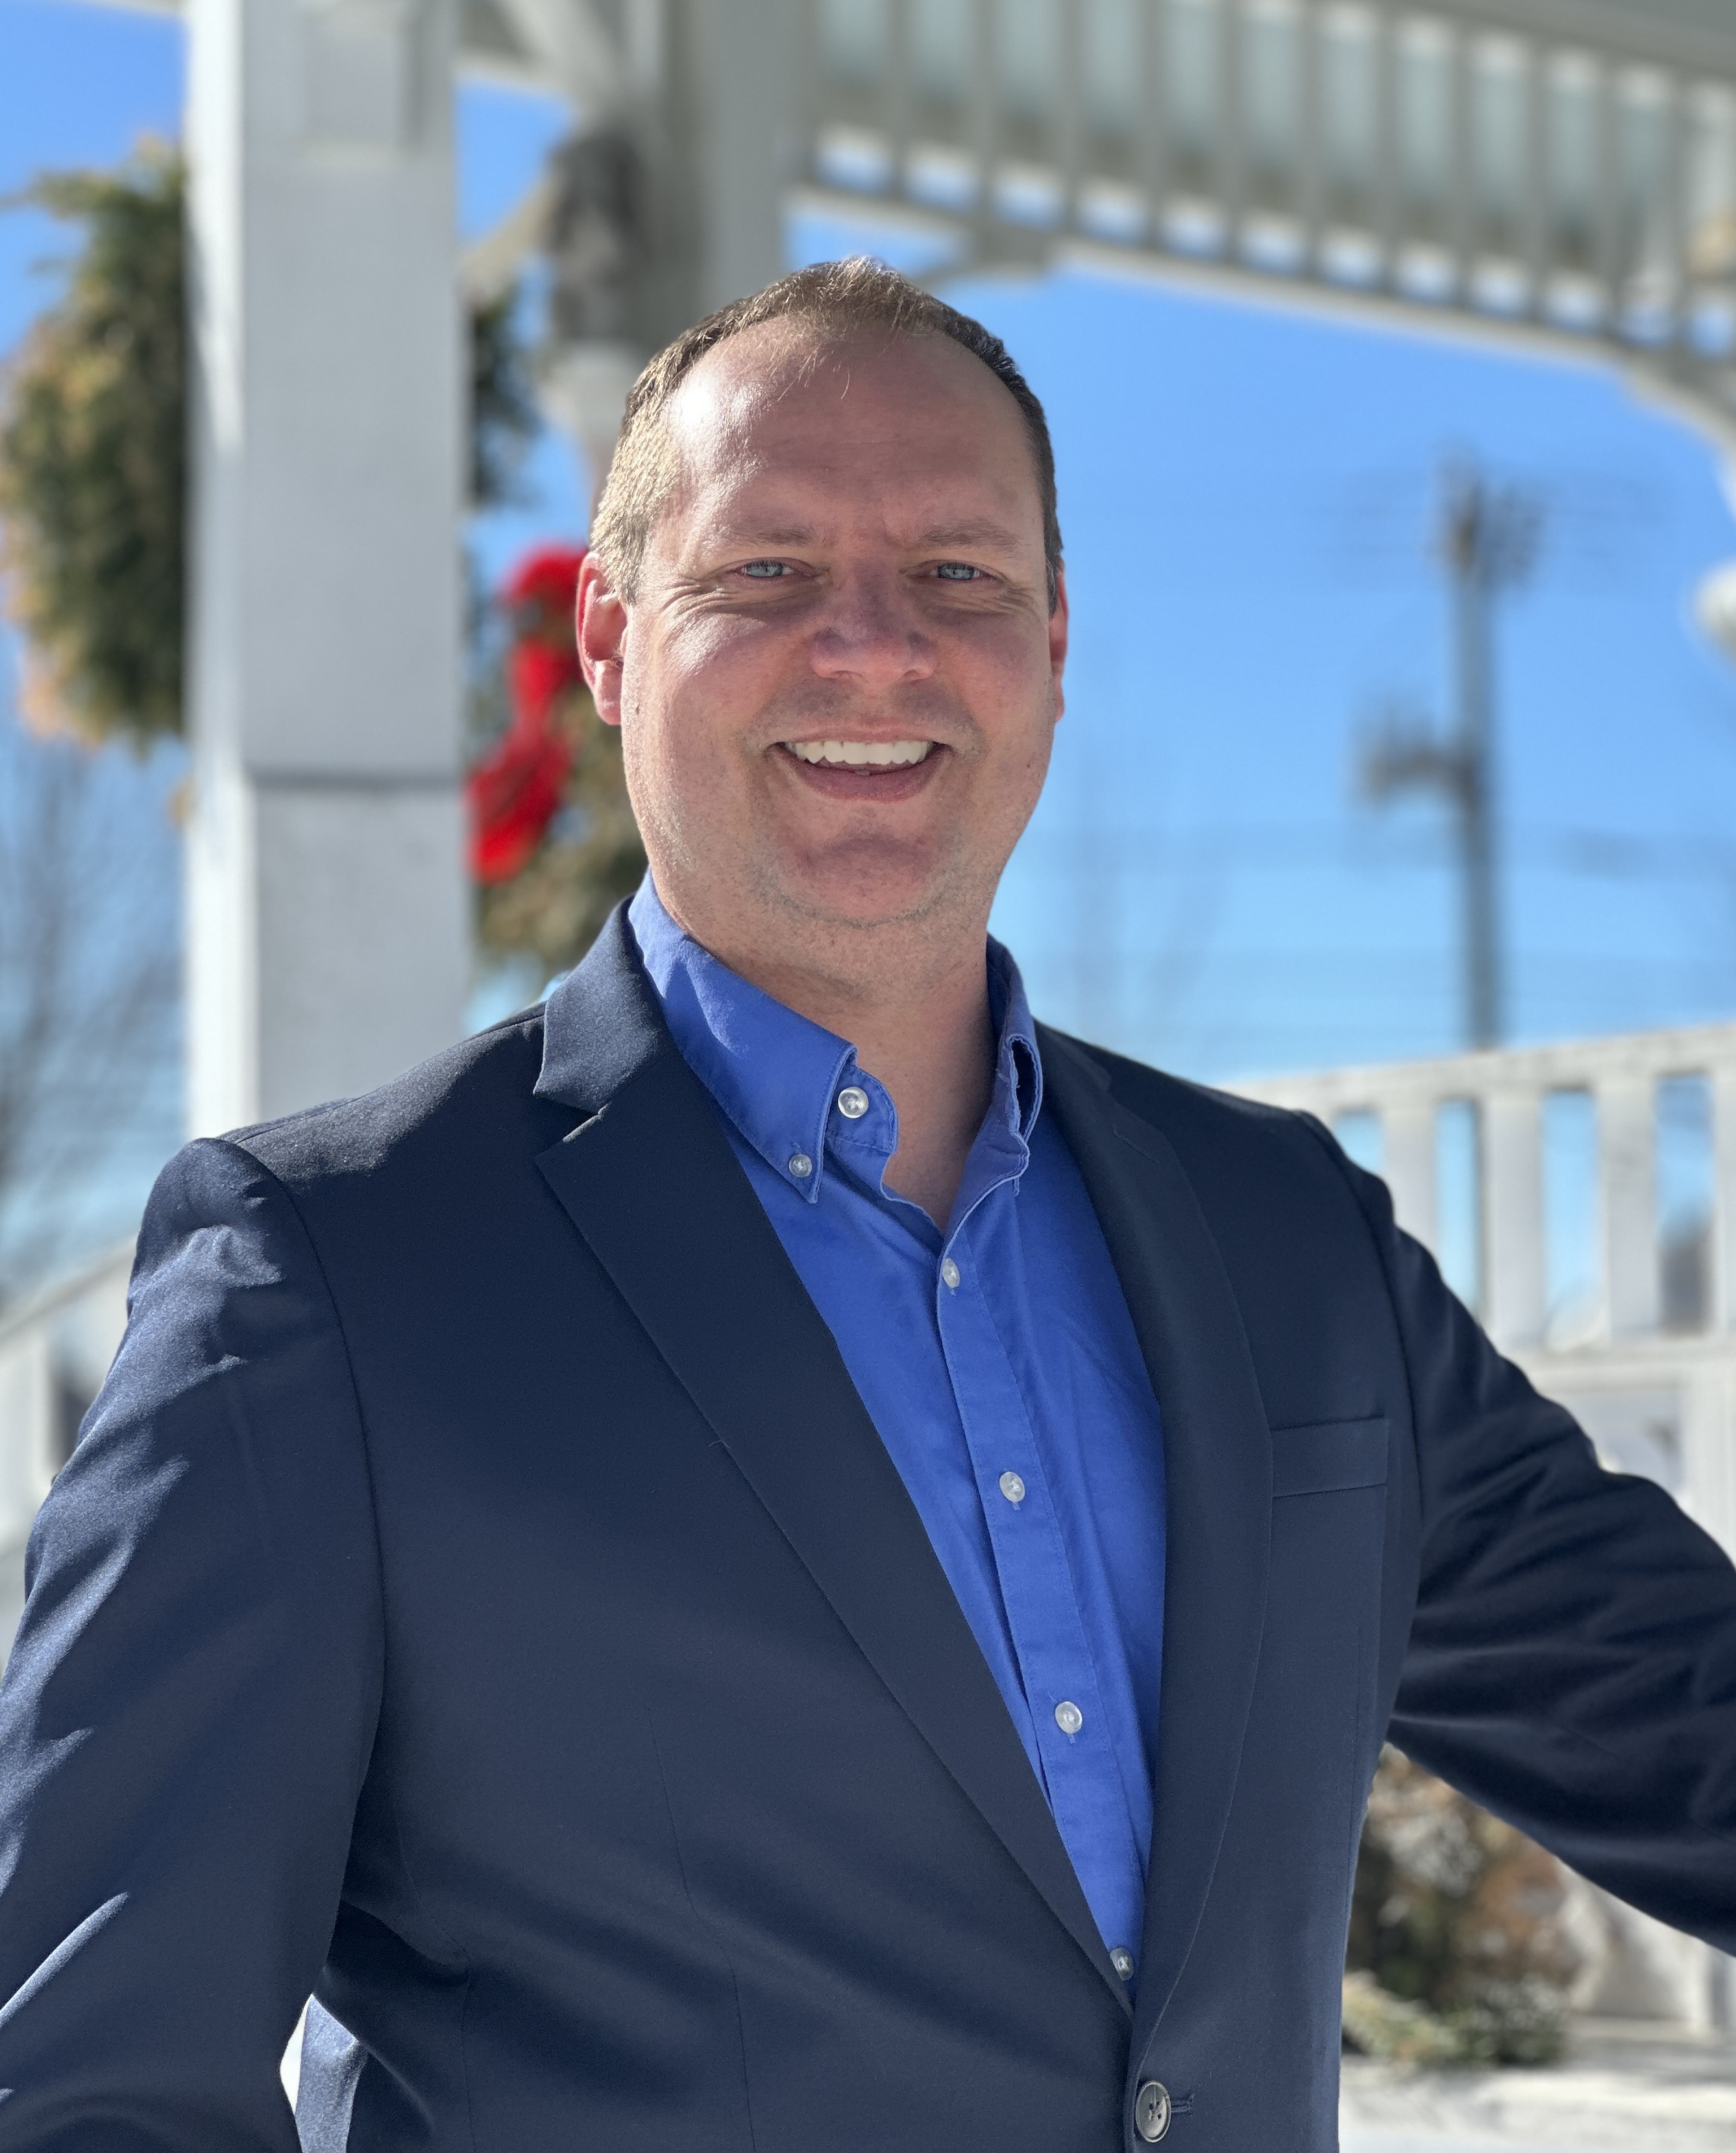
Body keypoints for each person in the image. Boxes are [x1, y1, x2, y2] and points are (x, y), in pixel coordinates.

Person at [1, 258, 1733, 2152]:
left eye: (958, 578)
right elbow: (93, 2083)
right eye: (767, 571)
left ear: (1054, 646)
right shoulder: (325, 1279)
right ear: (606, 638)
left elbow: (1678, 1720)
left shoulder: (1285, 1241)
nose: (874, 647)